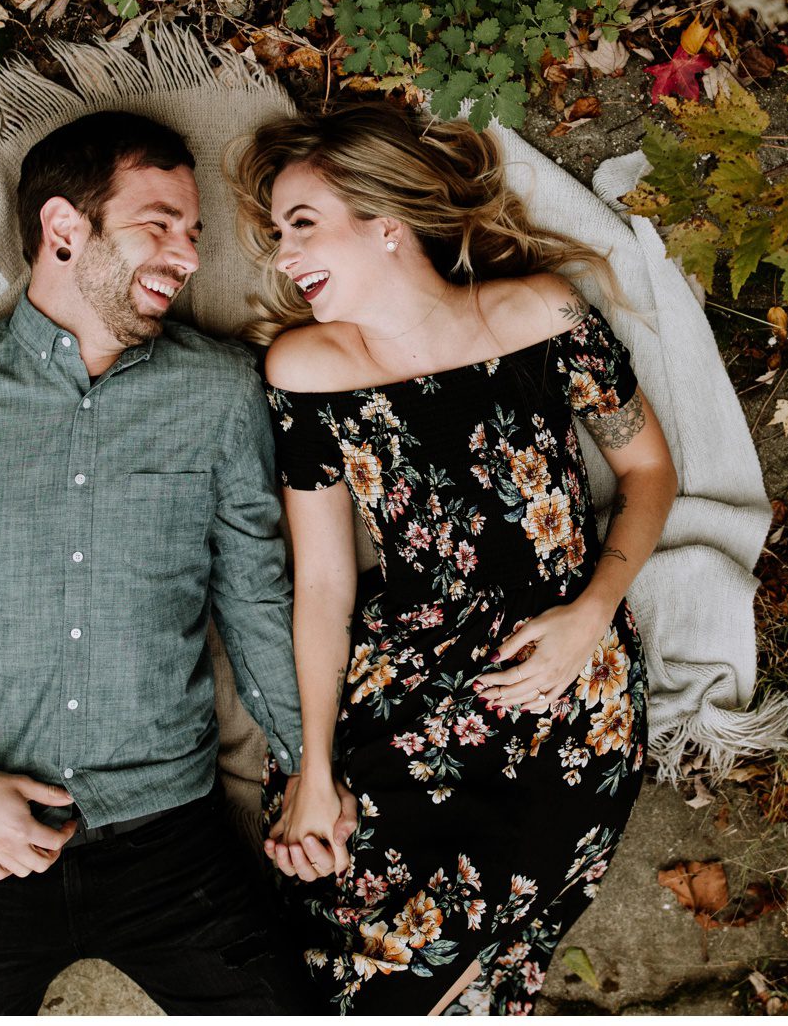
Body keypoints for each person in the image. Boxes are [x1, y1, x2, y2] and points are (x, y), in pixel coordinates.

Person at [0, 110, 343, 1014]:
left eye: (195, 234)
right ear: (63, 228)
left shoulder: (220, 392)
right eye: (158, 225)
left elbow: (254, 597)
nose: (186, 254)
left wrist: (310, 773)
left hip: (174, 842)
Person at [228, 101, 679, 1014]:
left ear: (387, 224)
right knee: (324, 912)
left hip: (563, 672)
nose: (282, 255)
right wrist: (313, 769)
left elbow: (648, 471)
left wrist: (590, 617)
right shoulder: (305, 369)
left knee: (465, 929)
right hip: (402, 676)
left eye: (302, 225)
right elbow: (322, 583)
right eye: (278, 233)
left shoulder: (542, 313)